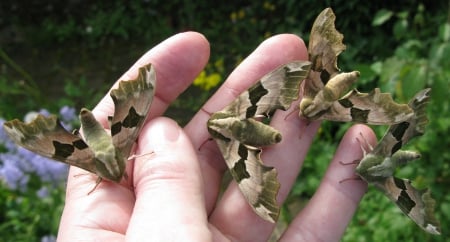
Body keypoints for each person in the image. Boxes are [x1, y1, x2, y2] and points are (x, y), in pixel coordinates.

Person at [57, 32, 376, 241]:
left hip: (246, 136)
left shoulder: (229, 148)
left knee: (253, 162)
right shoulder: (238, 111)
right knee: (269, 102)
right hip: (251, 119)